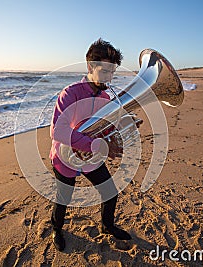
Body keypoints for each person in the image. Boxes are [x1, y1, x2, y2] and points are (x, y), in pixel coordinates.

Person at [49, 38, 131, 252]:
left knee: (110, 192)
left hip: (89, 157)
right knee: (63, 198)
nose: (109, 77)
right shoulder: (70, 92)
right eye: (105, 71)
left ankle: (107, 226)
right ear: (90, 67)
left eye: (112, 72)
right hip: (64, 156)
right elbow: (58, 131)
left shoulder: (105, 96)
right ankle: (57, 229)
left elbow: (104, 129)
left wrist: (115, 136)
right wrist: (97, 145)